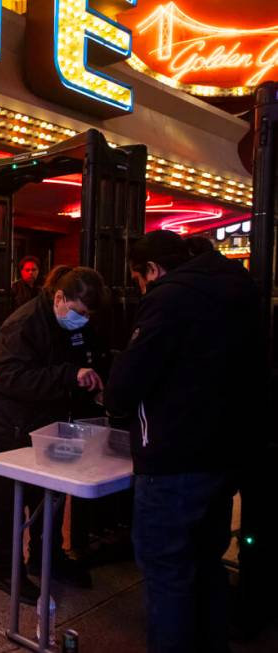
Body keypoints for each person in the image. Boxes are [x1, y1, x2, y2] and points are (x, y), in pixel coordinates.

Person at [105, 230, 258, 653]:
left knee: (166, 572)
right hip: (226, 454)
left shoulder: (168, 298)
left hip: (172, 459)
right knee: (206, 563)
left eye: (139, 279)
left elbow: (125, 386)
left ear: (150, 270)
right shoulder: (238, 288)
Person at [0, 266, 107, 603]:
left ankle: (48, 558)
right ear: (59, 297)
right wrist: (68, 375)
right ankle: (3, 569)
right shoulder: (22, 324)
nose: (83, 320)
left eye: (89, 315)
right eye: (79, 312)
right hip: (7, 425)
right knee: (7, 502)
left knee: (50, 496)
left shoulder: (65, 323)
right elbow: (8, 379)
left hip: (47, 423)